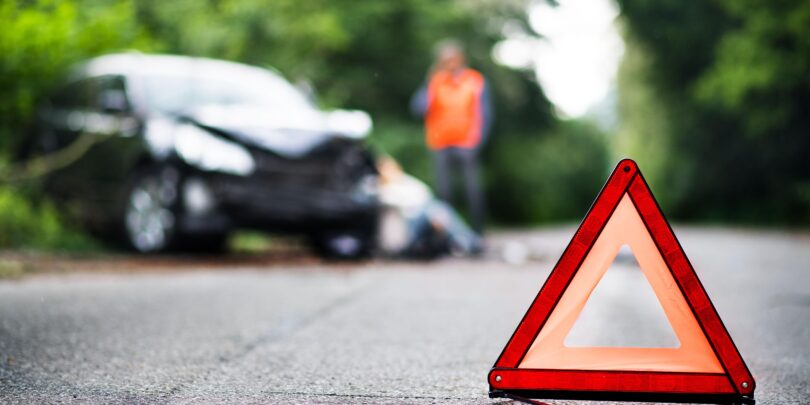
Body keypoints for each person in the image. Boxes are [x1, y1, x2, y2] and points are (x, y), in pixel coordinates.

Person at [410, 39, 493, 234]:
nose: (450, 63)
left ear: (461, 58)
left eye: (452, 59)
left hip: (467, 143)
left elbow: (486, 113)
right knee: (444, 192)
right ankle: (449, 235)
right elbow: (417, 108)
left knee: (473, 190)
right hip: (440, 143)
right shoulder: (435, 81)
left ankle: (478, 234)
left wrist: (478, 141)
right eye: (445, 60)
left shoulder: (475, 80)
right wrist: (429, 82)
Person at [377, 156, 482, 258]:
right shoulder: (380, 188)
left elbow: (425, 193)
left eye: (391, 168)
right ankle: (467, 240)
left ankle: (463, 240)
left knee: (439, 208)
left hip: (424, 215)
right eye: (386, 169)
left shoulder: (406, 181)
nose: (390, 172)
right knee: (437, 209)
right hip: (410, 223)